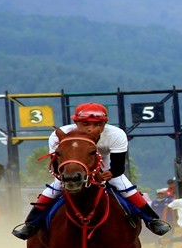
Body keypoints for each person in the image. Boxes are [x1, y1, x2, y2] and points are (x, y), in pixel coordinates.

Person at [12, 102, 171, 239]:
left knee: (126, 188)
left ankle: (152, 220)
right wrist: (64, 175)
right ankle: (30, 224)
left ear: (105, 123)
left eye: (98, 124)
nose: (91, 129)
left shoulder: (116, 134)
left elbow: (118, 166)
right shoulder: (59, 135)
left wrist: (110, 174)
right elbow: (56, 165)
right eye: (85, 124)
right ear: (76, 123)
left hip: (106, 169)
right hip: (72, 171)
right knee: (53, 190)